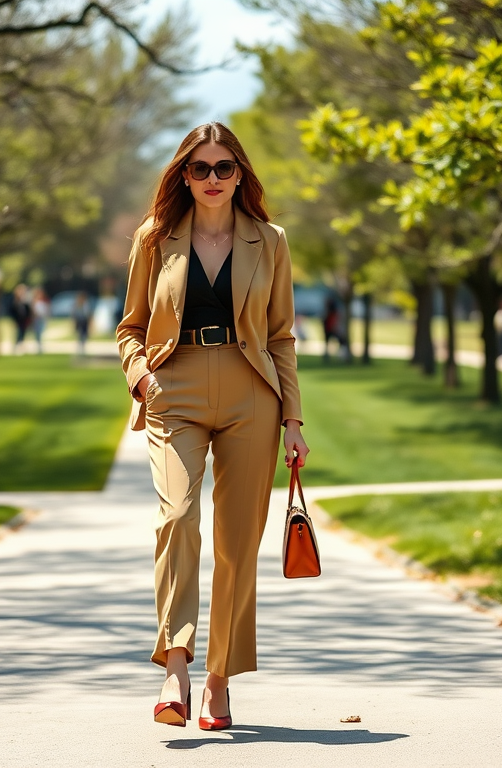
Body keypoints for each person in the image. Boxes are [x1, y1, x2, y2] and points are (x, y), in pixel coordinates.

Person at [116, 122, 309, 731]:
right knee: (178, 517)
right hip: (176, 386)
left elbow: (281, 336)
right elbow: (131, 326)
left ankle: (219, 680)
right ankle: (176, 666)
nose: (212, 179)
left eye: (224, 168)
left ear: (240, 174)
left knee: (237, 540)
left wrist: (293, 420)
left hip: (252, 389)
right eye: (199, 169)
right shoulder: (155, 239)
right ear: (183, 175)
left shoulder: (269, 241)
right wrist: (141, 376)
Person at [8, 284, 33, 353]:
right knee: (18, 333)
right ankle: (16, 347)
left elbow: (28, 311)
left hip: (24, 320)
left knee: (23, 333)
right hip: (17, 320)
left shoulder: (25, 300)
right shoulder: (14, 300)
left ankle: (21, 347)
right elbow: (11, 311)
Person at [31, 287, 50, 353]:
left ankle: (40, 346)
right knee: (37, 333)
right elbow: (33, 311)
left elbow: (47, 310)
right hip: (37, 319)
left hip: (42, 319)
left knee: (40, 333)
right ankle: (38, 347)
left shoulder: (45, 301)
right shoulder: (34, 301)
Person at [72, 291, 90, 356]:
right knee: (79, 335)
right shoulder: (76, 305)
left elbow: (87, 314)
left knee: (84, 336)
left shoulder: (85, 305)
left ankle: (83, 349)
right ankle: (79, 349)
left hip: (84, 322)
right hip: (79, 322)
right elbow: (74, 315)